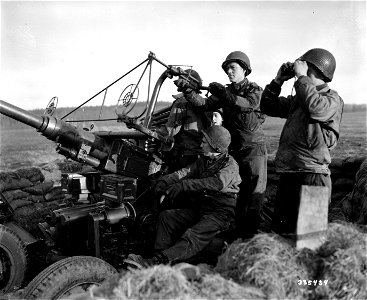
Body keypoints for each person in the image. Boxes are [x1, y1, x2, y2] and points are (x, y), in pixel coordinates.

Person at [174, 51, 267, 238]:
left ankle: (251, 237)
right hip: (234, 150)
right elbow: (204, 104)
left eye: (233, 68)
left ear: (245, 70)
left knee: (255, 195)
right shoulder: (227, 92)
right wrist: (188, 90)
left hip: (253, 150)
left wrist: (224, 94)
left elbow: (246, 105)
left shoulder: (254, 90)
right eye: (227, 69)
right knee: (236, 195)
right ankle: (237, 235)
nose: (229, 72)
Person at [125, 125, 241, 267]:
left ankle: (157, 261)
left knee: (192, 235)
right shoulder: (203, 161)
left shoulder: (230, 165)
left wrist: (184, 185)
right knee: (167, 217)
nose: (201, 144)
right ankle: (160, 262)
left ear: (215, 147)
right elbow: (184, 172)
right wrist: (163, 181)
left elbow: (217, 183)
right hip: (203, 208)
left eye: (204, 142)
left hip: (220, 213)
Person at [259, 48, 344, 235]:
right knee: (281, 235)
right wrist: (278, 80)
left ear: (314, 69)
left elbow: (315, 108)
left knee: (310, 237)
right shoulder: (300, 98)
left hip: (314, 175)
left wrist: (301, 77)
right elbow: (267, 106)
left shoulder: (332, 98)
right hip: (290, 173)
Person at [156, 69, 211, 171]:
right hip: (200, 153)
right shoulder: (204, 102)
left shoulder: (181, 102)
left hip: (185, 155)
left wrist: (153, 131)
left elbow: (171, 130)